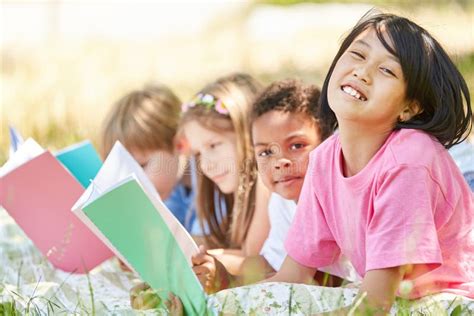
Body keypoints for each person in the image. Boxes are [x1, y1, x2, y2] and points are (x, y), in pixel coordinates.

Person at [266, 12, 474, 314]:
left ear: (409, 107)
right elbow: (291, 278)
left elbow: (374, 305)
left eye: (387, 71)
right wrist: (215, 306)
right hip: (391, 301)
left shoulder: (409, 159)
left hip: (452, 301)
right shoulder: (324, 159)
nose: (362, 72)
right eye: (357, 55)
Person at [191, 79, 359, 292]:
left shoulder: (336, 198)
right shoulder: (281, 201)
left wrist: (230, 285)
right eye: (266, 152)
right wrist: (213, 264)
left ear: (327, 143)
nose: (280, 162)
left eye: (297, 146)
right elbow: (273, 264)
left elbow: (313, 280)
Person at [101, 84, 197, 233]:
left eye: (142, 165)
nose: (136, 181)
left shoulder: (210, 185)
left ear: (179, 144)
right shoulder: (168, 194)